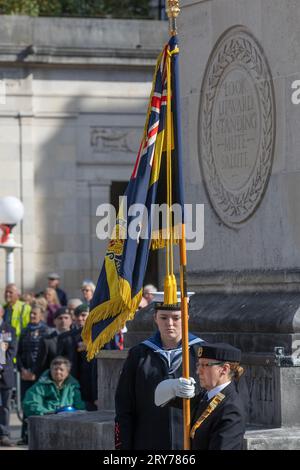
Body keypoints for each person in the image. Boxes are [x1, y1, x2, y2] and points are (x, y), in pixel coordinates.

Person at [114, 299, 203, 450]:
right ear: (155, 318)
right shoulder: (139, 354)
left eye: (176, 318)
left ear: (186, 317)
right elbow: (124, 404)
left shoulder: (202, 353)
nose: (170, 323)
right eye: (163, 317)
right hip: (149, 441)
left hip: (192, 441)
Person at [155, 342, 246, 450]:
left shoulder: (231, 409)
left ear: (224, 369)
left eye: (205, 365)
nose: (198, 371)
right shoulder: (205, 396)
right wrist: (174, 386)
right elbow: (160, 399)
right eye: (199, 365)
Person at [33, 307, 73, 378]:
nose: (63, 321)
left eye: (66, 318)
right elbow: (41, 366)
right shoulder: (47, 340)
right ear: (54, 321)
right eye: (60, 318)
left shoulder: (76, 338)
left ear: (71, 320)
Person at [0, 305, 17, 447]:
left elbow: (10, 351)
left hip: (4, 374)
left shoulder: (8, 329)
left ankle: (4, 434)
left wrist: (0, 365)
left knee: (5, 406)